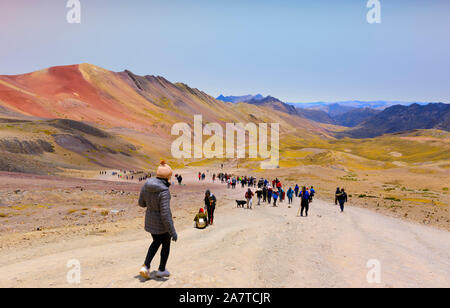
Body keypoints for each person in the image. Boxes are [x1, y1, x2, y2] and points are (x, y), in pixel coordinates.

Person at [139, 161, 177, 280]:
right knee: (165, 244)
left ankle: (146, 267)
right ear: (167, 177)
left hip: (150, 221)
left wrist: (151, 205)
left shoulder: (146, 185)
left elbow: (141, 203)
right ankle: (161, 269)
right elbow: (165, 214)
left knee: (156, 242)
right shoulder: (164, 191)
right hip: (161, 225)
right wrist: (173, 231)